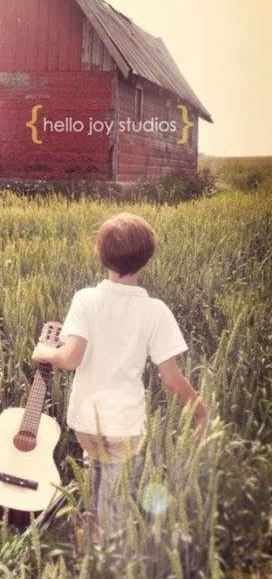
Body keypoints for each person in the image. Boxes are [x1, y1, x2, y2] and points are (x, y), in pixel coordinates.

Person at [32, 212, 208, 544]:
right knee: (116, 500)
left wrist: (44, 353)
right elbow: (171, 379)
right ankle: (107, 557)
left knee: (95, 474)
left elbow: (69, 358)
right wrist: (200, 411)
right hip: (124, 427)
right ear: (147, 260)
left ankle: (95, 534)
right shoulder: (155, 311)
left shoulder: (86, 299)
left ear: (101, 255)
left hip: (86, 422)